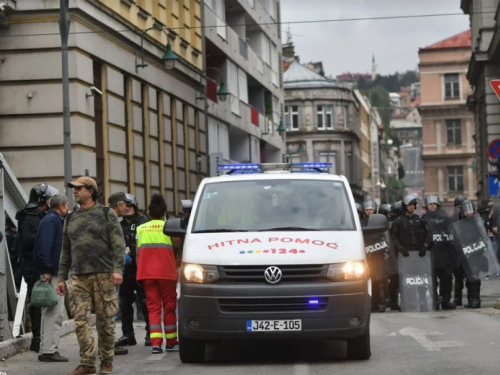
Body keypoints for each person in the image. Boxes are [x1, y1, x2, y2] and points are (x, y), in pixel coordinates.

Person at [56, 177, 125, 375]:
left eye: (79, 189)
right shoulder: (70, 217)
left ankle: (106, 362)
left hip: (104, 276)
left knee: (105, 322)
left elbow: (118, 245)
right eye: (74, 189)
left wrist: (117, 270)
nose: (75, 192)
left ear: (91, 191)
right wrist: (61, 277)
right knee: (81, 321)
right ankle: (87, 362)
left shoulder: (106, 214)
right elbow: (65, 250)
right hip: (78, 277)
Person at [16, 183, 59, 352]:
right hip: (32, 264)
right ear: (42, 199)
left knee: (42, 300)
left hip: (37, 263)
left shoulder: (41, 215)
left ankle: (40, 337)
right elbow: (29, 239)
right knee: (38, 300)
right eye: (48, 198)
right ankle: (37, 338)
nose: (50, 201)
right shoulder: (30, 216)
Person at [136, 194, 179, 354]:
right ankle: (171, 342)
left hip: (147, 274)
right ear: (164, 212)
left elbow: (137, 253)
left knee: (153, 308)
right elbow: (177, 245)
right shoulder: (170, 227)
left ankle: (155, 344)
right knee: (169, 308)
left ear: (149, 212)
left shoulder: (141, 229)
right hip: (166, 274)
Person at [33, 194, 70, 362]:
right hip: (53, 272)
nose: (68, 208)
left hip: (53, 270)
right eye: (67, 205)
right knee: (54, 312)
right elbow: (45, 247)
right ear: (61, 205)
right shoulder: (53, 221)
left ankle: (47, 348)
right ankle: (49, 350)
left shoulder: (51, 220)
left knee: (51, 311)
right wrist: (47, 269)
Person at [114, 193, 150, 348]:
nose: (127, 208)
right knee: (124, 302)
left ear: (135, 206)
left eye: (130, 205)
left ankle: (150, 333)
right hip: (125, 270)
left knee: (145, 301)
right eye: (125, 205)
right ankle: (128, 334)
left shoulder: (143, 223)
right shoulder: (118, 225)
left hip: (141, 268)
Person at [390, 194, 434, 311]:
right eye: (409, 205)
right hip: (405, 256)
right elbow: (393, 237)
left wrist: (424, 247)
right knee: (406, 281)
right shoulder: (398, 221)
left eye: (413, 205)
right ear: (405, 206)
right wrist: (401, 249)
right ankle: (408, 302)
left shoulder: (420, 220)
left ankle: (423, 302)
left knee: (421, 280)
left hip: (419, 255)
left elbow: (429, 235)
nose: (411, 207)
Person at [422, 195, 456, 310]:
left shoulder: (445, 218)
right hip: (430, 253)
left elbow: (452, 232)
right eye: (430, 204)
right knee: (432, 280)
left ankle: (445, 300)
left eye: (434, 204)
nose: (432, 205)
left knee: (446, 279)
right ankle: (434, 301)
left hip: (444, 252)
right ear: (427, 206)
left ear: (437, 205)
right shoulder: (423, 219)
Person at [451, 200, 484, 309]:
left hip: (475, 253)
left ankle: (475, 300)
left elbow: (484, 237)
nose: (469, 212)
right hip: (463, 254)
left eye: (470, 210)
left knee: (474, 279)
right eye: (466, 210)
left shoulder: (477, 221)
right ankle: (467, 300)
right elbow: (455, 237)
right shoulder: (460, 223)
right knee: (463, 279)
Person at [484, 202, 500, 280]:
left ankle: (498, 272)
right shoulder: (488, 218)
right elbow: (487, 226)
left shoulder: (496, 218)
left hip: (495, 239)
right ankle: (489, 273)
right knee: (490, 257)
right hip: (489, 239)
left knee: (495, 257)